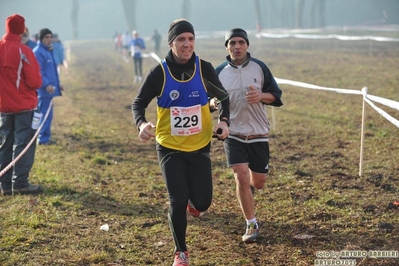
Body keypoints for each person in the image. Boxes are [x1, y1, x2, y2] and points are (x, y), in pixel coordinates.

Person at [132, 19, 230, 266]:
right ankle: (181, 252)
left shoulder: (204, 68)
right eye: (181, 39)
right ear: (171, 43)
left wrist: (224, 121)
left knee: (202, 202)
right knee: (177, 198)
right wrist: (142, 125)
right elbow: (138, 103)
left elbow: (224, 97)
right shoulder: (159, 73)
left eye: (191, 39)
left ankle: (192, 203)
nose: (187, 44)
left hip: (199, 146)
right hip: (169, 146)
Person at [215, 28, 283, 243]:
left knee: (258, 182)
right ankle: (251, 224)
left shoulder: (259, 67)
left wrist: (260, 95)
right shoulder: (218, 72)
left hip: (258, 133)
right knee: (241, 176)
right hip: (232, 132)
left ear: (247, 45)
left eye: (241, 42)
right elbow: (207, 101)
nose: (237, 46)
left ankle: (249, 192)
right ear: (227, 47)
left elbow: (276, 96)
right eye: (232, 43)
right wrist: (212, 103)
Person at [0, 14, 43, 195]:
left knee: (4, 143)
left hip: (3, 106)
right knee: (23, 143)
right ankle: (20, 184)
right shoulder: (24, 51)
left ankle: (5, 184)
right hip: (24, 106)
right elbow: (34, 82)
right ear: (22, 29)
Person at [33, 28, 63, 145]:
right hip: (43, 91)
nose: (49, 39)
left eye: (50, 37)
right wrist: (46, 85)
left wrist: (57, 84)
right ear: (41, 39)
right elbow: (39, 72)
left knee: (47, 115)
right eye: (46, 37)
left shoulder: (49, 51)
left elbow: (52, 71)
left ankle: (45, 137)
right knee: (43, 115)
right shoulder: (38, 52)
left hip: (50, 89)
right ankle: (43, 139)